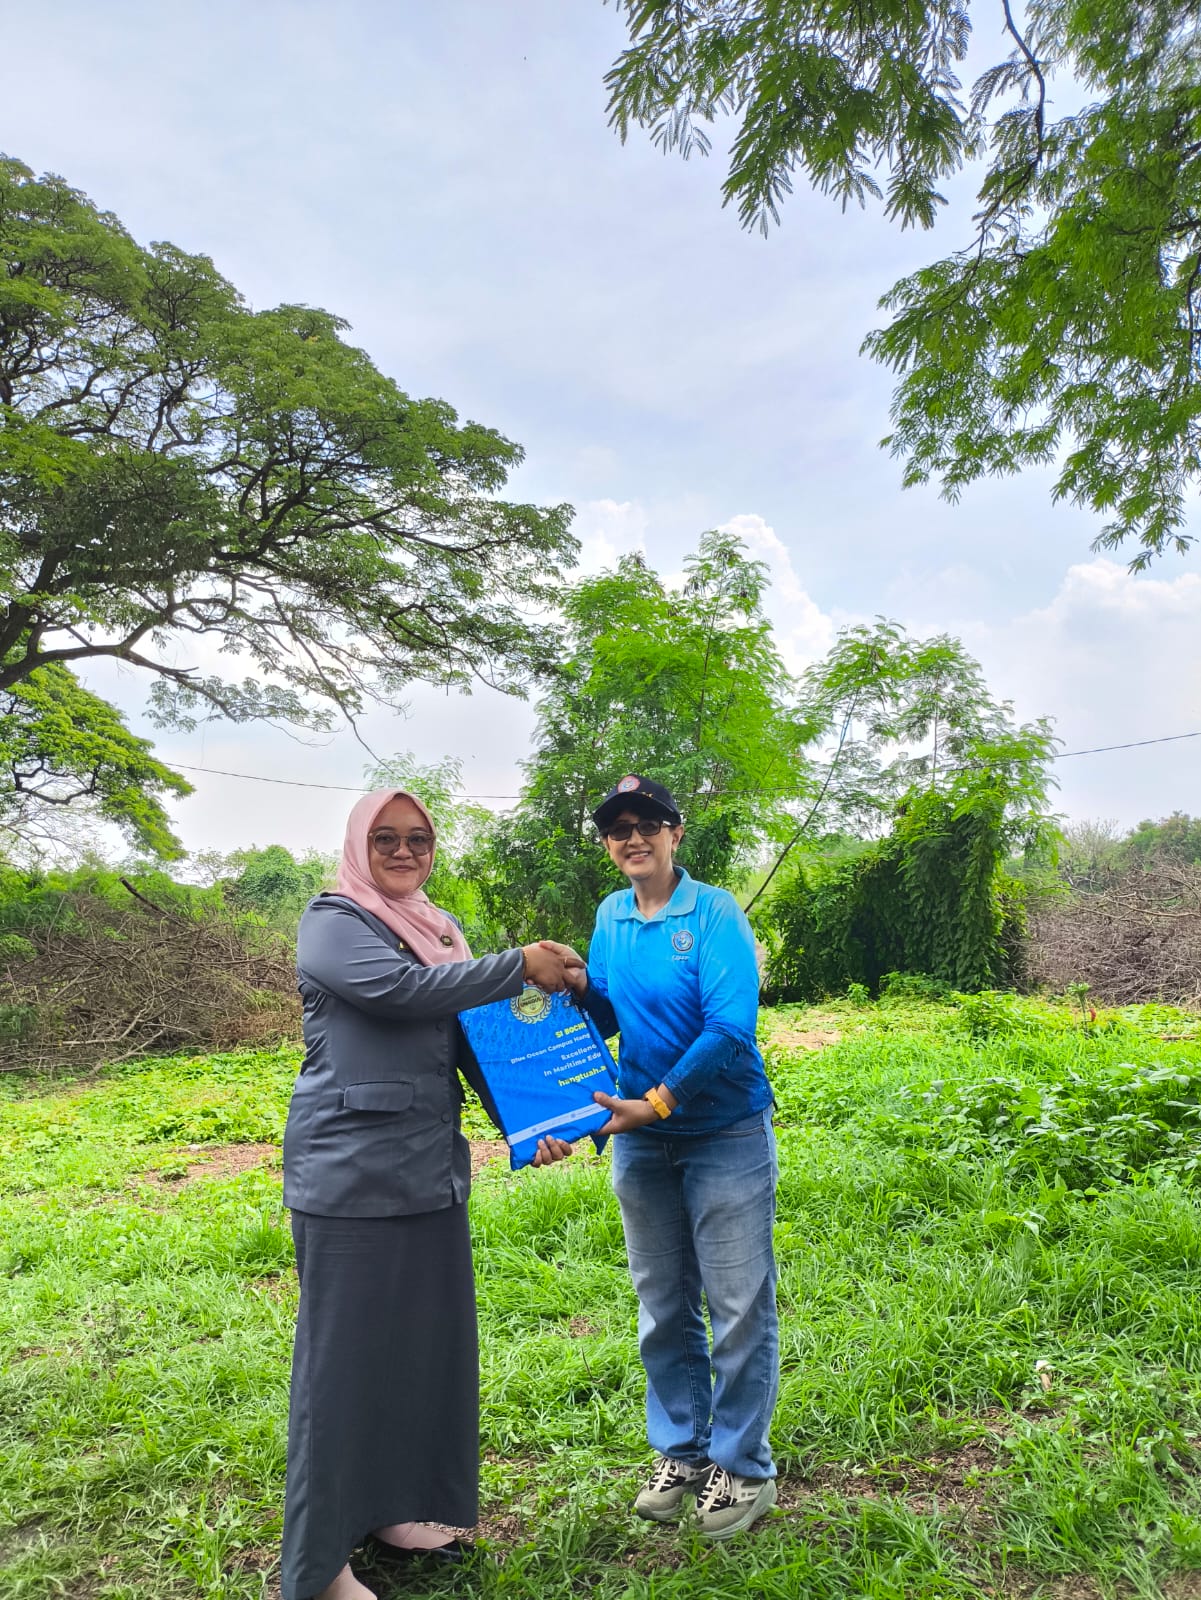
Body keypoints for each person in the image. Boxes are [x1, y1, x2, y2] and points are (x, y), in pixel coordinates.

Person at [280, 788, 576, 1600]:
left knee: (419, 1353)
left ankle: (395, 1509)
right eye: (386, 838)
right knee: (341, 1372)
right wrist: (520, 963)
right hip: (348, 1179)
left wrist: (530, 1124)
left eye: (418, 838)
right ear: (358, 844)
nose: (404, 851)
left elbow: (471, 1036)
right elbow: (398, 994)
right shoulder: (333, 920)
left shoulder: (441, 933)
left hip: (426, 1171)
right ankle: (317, 1566)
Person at [565, 775, 780, 1541]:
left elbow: (729, 1030)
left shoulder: (714, 911)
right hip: (641, 1141)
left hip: (722, 1134)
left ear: (674, 833)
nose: (631, 837)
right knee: (661, 1305)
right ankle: (682, 1452)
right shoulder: (610, 914)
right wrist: (576, 984)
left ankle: (743, 1467)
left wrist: (656, 1102)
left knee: (736, 1305)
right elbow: (614, 1015)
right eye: (617, 828)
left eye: (646, 823)